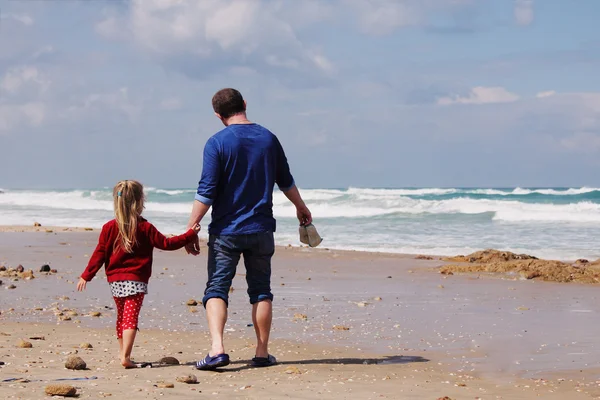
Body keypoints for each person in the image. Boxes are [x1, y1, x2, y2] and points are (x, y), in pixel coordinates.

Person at [185, 88, 312, 370]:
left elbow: (206, 191)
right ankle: (262, 352)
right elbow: (285, 180)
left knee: (217, 288)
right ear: (244, 104)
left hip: (226, 231)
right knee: (261, 291)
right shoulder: (268, 138)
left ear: (218, 115)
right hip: (261, 229)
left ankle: (217, 349)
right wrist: (300, 207)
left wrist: (191, 227)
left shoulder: (216, 142)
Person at [78, 180, 200, 368]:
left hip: (115, 280)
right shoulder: (145, 227)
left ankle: (123, 354)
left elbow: (99, 254)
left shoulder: (109, 227)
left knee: (122, 317)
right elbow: (167, 244)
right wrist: (190, 234)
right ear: (139, 201)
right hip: (136, 280)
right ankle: (126, 357)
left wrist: (86, 275)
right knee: (130, 318)